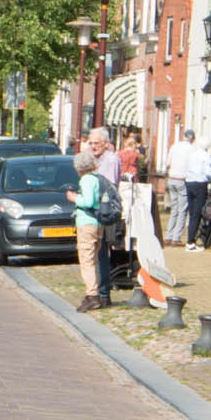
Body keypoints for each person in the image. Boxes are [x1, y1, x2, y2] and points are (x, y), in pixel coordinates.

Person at [86, 128, 122, 306]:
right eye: (91, 143)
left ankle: (103, 293)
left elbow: (107, 186)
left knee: (102, 252)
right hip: (93, 210)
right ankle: (96, 291)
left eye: (96, 143)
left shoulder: (110, 160)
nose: (93, 147)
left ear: (105, 144)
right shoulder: (91, 158)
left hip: (105, 211)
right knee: (94, 252)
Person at [68, 149, 103, 312]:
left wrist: (75, 198)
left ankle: (92, 295)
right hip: (97, 223)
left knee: (86, 260)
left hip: (86, 224)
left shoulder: (87, 180)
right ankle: (94, 292)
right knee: (93, 260)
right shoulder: (96, 179)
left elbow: (88, 202)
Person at [182, 131, 211, 250]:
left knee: (192, 213)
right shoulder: (205, 156)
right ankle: (190, 242)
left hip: (189, 182)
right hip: (200, 184)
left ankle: (190, 238)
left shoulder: (192, 154)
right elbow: (208, 171)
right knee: (197, 213)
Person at [164, 132, 191, 246]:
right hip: (182, 180)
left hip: (172, 179)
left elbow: (168, 163)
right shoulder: (191, 149)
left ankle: (168, 236)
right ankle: (176, 237)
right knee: (182, 210)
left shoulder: (174, 146)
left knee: (174, 209)